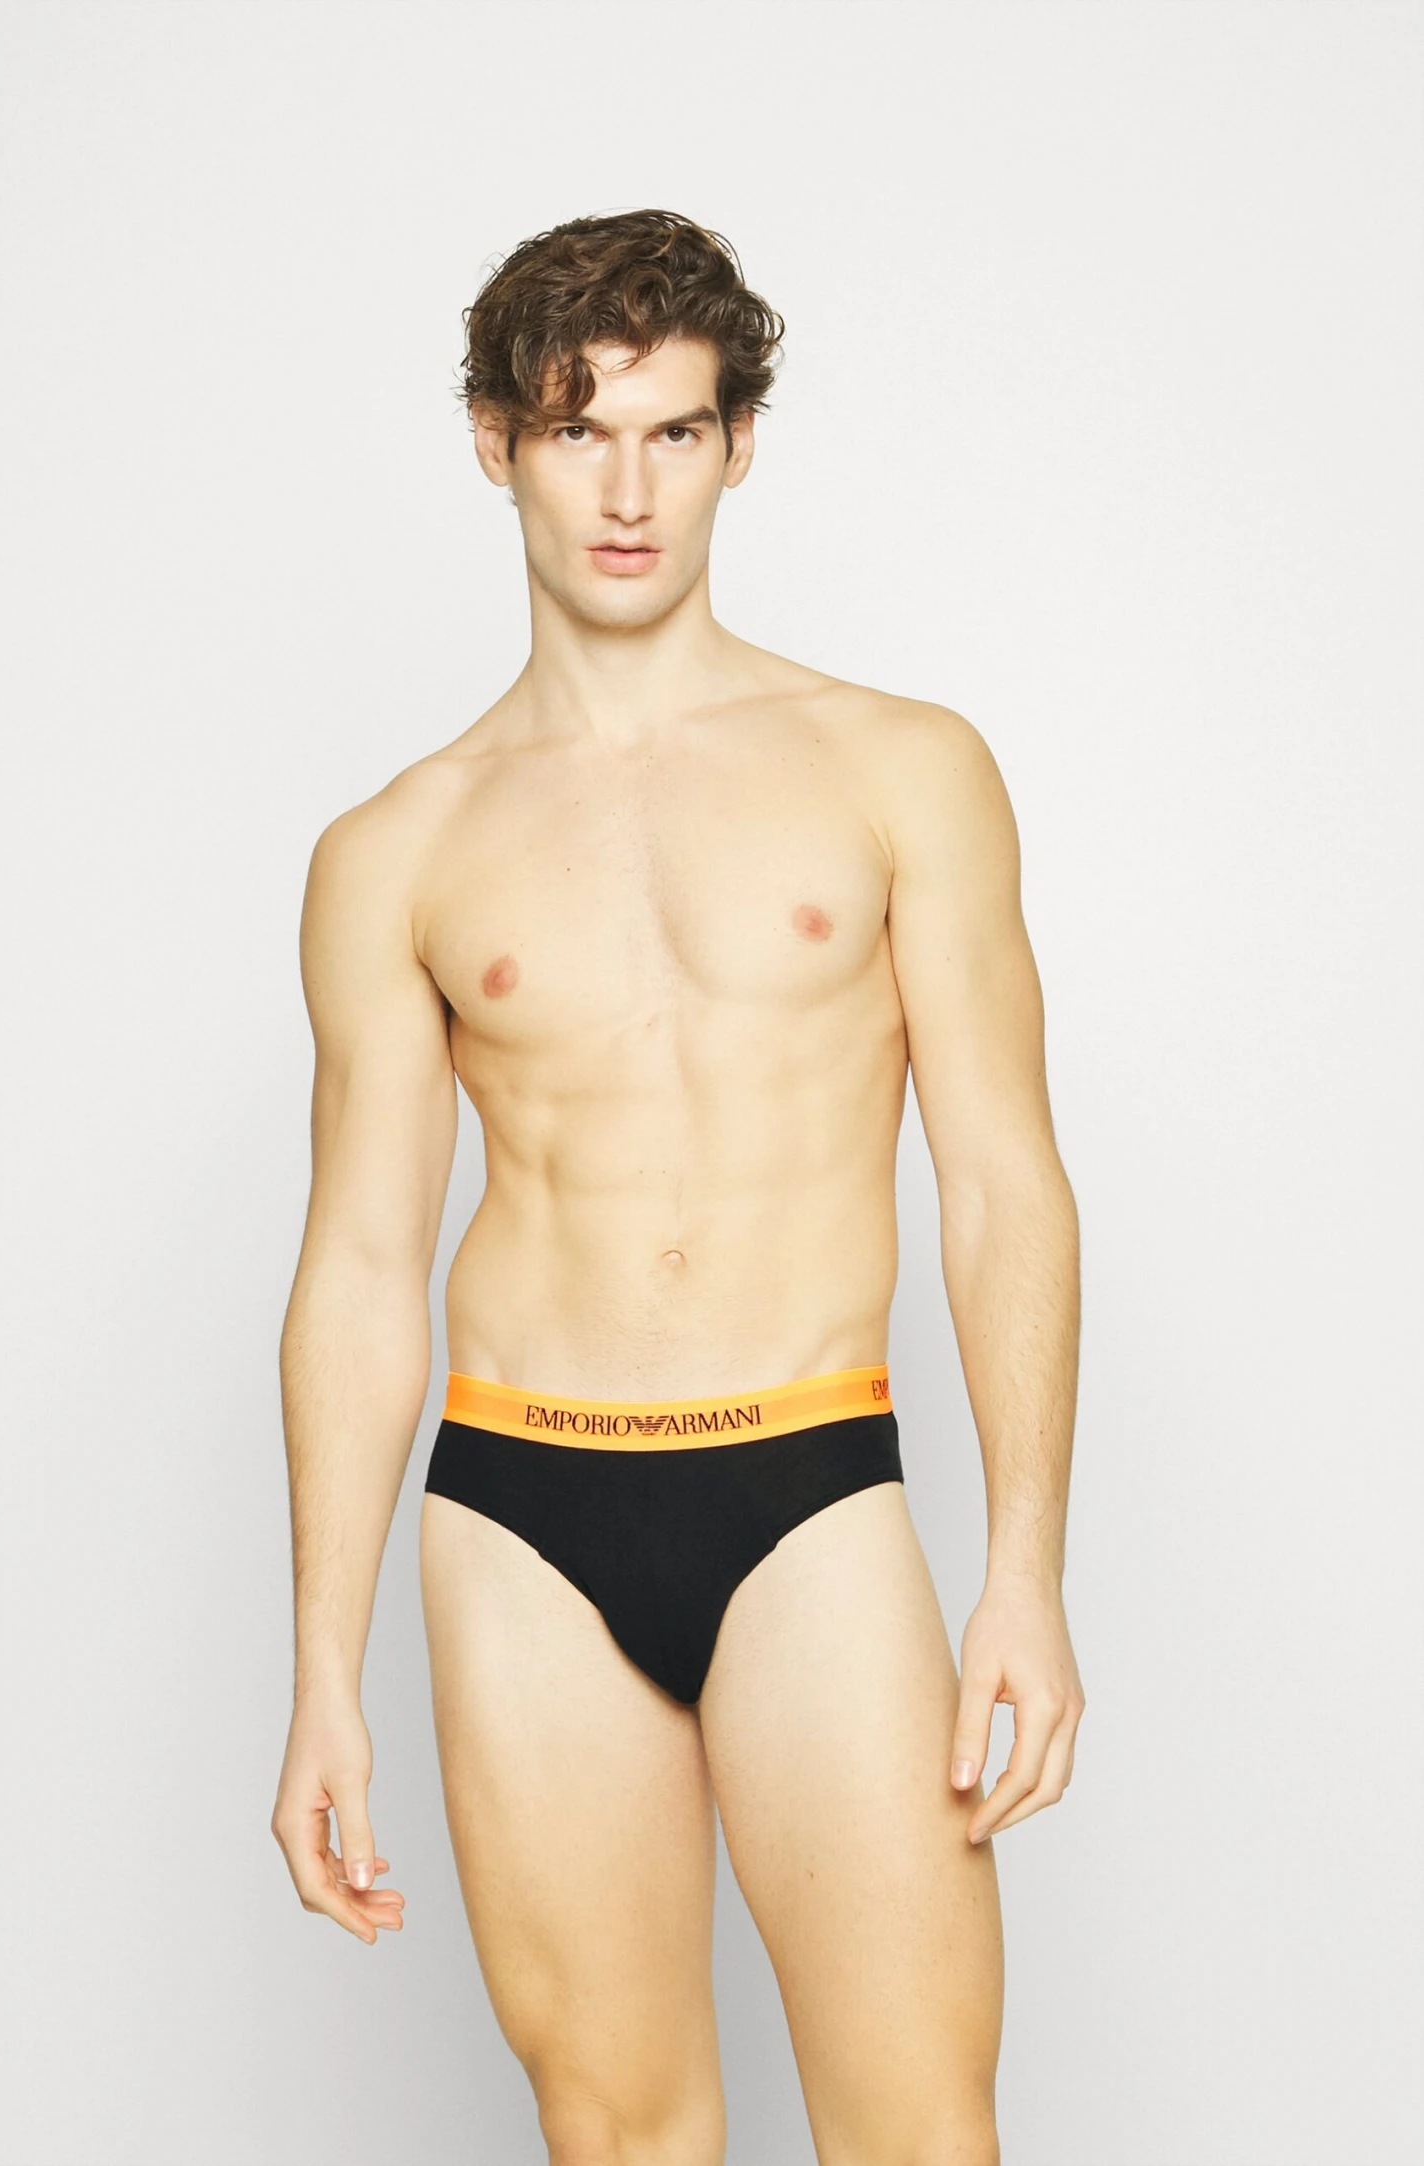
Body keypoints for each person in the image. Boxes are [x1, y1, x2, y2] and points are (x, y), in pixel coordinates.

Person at [271, 208, 1085, 2166]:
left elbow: (1002, 1179)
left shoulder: (900, 768)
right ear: (496, 442)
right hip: (520, 1514)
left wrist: (1027, 1572)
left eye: (674, 433)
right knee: (620, 2131)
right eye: (577, 431)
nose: (628, 492)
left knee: (917, 2129)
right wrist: (320, 1672)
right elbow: (362, 1263)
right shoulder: (396, 847)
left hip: (809, 1482)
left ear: (739, 444)